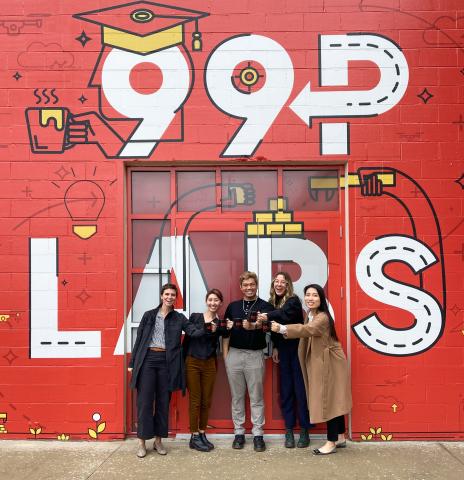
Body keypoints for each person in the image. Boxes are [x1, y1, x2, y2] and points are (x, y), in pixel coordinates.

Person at [128, 283, 209, 458]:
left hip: (167, 363)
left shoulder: (179, 318)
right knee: (144, 403)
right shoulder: (149, 315)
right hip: (148, 360)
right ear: (161, 295)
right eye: (167, 294)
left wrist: (208, 326)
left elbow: (193, 332)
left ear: (175, 298)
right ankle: (142, 442)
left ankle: (158, 441)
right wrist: (133, 362)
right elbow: (140, 339)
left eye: (173, 295)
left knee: (163, 403)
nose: (170, 297)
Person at [271, 283, 352, 455]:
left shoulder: (322, 317)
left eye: (315, 295)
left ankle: (331, 442)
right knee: (334, 399)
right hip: (326, 361)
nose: (310, 298)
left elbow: (308, 330)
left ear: (321, 298)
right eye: (308, 295)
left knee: (328, 401)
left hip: (330, 362)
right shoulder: (311, 314)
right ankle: (340, 436)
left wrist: (283, 328)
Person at [257, 272, 312, 448]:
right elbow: (273, 330)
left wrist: (266, 316)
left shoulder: (293, 301)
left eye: (283, 282)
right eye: (276, 282)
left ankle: (304, 430)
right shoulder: (272, 304)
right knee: (286, 391)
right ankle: (289, 431)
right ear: (273, 285)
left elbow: (285, 316)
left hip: (297, 351)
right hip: (284, 352)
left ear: (288, 285)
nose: (279, 284)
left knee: (300, 392)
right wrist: (276, 347)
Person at [222, 271, 273, 452]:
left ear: (256, 285)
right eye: (246, 285)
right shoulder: (233, 306)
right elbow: (225, 332)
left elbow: (270, 329)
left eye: (252, 284)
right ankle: (239, 433)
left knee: (256, 397)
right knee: (237, 397)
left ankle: (258, 435)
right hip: (234, 355)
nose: (249, 288)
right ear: (241, 287)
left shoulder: (266, 306)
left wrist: (256, 325)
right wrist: (226, 356)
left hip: (255, 355)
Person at [184, 288, 224, 452]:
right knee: (195, 400)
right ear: (206, 301)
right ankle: (193, 436)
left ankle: (202, 433)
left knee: (206, 401)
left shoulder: (220, 322)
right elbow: (190, 337)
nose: (213, 303)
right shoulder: (195, 317)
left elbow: (223, 338)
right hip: (192, 361)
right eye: (210, 299)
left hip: (210, 363)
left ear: (220, 303)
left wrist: (220, 329)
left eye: (216, 300)